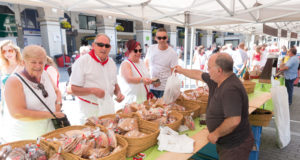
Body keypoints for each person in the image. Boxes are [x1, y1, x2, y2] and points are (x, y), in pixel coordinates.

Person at [175, 53, 254, 160]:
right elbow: (198, 74)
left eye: (209, 67)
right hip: (227, 143)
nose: (207, 70)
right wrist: (181, 70)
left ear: (219, 70)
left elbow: (234, 120)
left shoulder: (230, 88)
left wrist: (216, 134)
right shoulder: (217, 80)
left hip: (235, 146)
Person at [3, 45, 64, 142]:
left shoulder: (45, 73)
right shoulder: (14, 81)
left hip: (49, 132)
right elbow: (17, 113)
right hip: (27, 138)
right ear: (24, 62)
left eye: (41, 62)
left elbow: (56, 91)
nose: (38, 66)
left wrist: (58, 104)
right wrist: (51, 114)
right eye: (33, 62)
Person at [69, 33, 124, 125]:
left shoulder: (111, 63)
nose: (104, 48)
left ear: (110, 48)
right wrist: (93, 90)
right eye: (100, 45)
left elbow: (114, 84)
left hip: (108, 108)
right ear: (93, 46)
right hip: (90, 111)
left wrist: (118, 93)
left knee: (109, 136)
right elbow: (72, 89)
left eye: (107, 46)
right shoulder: (82, 61)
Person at [145, 28, 178, 98]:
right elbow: (146, 64)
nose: (162, 40)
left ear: (167, 38)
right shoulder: (151, 48)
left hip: (165, 88)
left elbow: (174, 72)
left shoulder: (172, 53)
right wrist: (150, 80)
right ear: (156, 38)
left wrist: (173, 88)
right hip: (151, 87)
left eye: (164, 38)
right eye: (159, 38)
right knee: (151, 108)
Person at [118, 39, 153, 105]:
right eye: (135, 51)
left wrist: (153, 82)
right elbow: (129, 79)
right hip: (132, 101)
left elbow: (146, 76)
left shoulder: (142, 62)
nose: (138, 53)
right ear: (129, 51)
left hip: (144, 99)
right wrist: (142, 80)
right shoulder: (126, 64)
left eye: (140, 50)